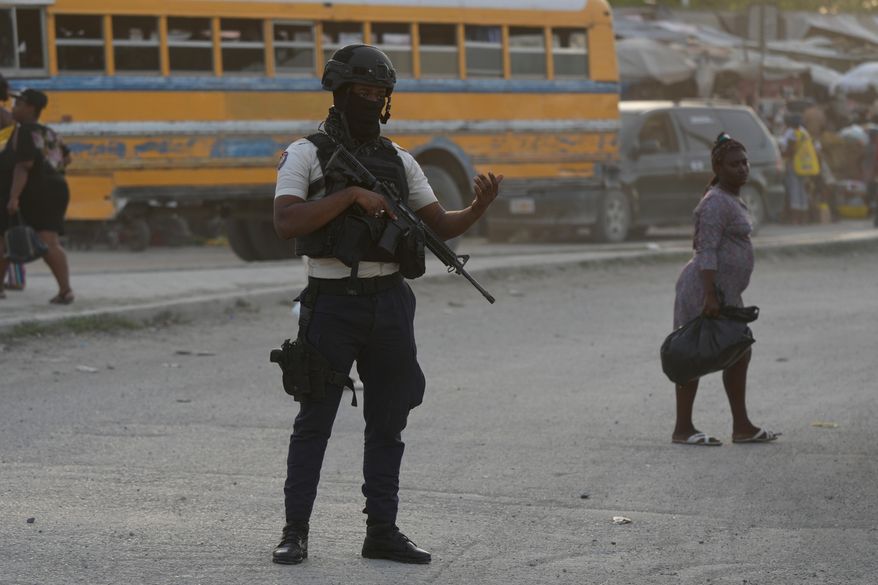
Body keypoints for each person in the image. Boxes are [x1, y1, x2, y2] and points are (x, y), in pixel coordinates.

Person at [271, 45, 502, 565]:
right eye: (362, 93)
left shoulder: (400, 160)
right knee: (315, 421)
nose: (371, 102)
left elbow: (440, 226)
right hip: (330, 302)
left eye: (380, 94)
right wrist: (350, 197)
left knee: (388, 420)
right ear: (340, 93)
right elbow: (287, 221)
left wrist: (478, 208)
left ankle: (382, 531)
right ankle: (294, 533)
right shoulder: (304, 154)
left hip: (390, 302)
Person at [671, 133, 779, 447]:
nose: (743, 168)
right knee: (691, 353)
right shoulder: (715, 202)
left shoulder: (730, 197)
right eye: (734, 164)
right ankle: (683, 428)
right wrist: (709, 294)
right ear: (719, 167)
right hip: (704, 289)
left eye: (745, 162)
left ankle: (742, 426)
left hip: (724, 292)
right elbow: (706, 250)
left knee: (739, 351)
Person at [0, 89, 74, 303]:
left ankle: (66, 290)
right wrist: (50, 171)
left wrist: (13, 198)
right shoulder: (48, 132)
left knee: (46, 241)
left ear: (30, 107)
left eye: (19, 104)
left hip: (37, 191)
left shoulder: (23, 131)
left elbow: (24, 166)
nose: (14, 107)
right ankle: (65, 290)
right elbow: (67, 159)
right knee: (43, 240)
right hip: (57, 189)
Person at [778, 113, 820, 225]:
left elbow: (791, 150)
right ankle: (804, 219)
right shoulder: (804, 132)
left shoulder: (792, 132)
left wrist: (781, 154)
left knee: (795, 190)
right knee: (803, 191)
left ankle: (795, 220)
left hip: (795, 165)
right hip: (805, 166)